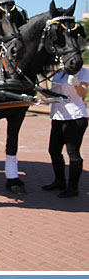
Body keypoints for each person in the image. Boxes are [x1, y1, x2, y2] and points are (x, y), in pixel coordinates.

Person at [43, 65, 89, 199]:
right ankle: (59, 181)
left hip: (75, 118)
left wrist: (77, 84)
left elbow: (83, 94)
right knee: (54, 150)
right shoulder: (59, 73)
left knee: (73, 153)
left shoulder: (83, 72)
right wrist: (36, 88)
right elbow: (54, 94)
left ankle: (73, 187)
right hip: (58, 117)